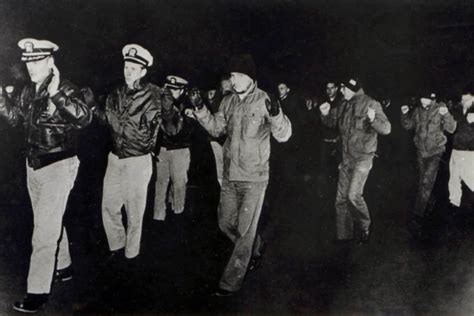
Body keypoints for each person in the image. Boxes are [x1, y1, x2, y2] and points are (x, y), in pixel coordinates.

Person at [0, 38, 92, 313]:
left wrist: (57, 95)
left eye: (37, 61)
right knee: (49, 220)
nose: (31, 67)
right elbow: (17, 119)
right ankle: (64, 267)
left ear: (51, 61)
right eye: (28, 62)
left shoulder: (67, 88)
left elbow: (84, 118)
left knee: (43, 231)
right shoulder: (29, 90)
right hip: (34, 165)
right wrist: (2, 101)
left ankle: (37, 293)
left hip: (59, 166)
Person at [190, 54, 292, 296]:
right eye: (231, 76)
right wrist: (200, 109)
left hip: (255, 178)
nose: (232, 80)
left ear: (249, 78)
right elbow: (216, 128)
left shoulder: (264, 99)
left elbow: (284, 135)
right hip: (230, 175)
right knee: (225, 223)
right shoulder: (228, 101)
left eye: (236, 76)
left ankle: (230, 283)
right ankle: (256, 245)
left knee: (244, 232)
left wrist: (277, 115)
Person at [96, 44, 174, 261]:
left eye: (133, 67)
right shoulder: (115, 93)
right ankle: (117, 246)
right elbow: (107, 122)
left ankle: (131, 255)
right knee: (109, 206)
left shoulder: (157, 94)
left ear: (143, 71)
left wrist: (168, 111)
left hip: (138, 161)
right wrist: (94, 109)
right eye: (126, 66)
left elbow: (173, 129)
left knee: (134, 212)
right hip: (115, 158)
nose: (128, 70)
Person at [320, 78, 391, 244]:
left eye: (343, 88)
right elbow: (332, 122)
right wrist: (324, 114)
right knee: (340, 199)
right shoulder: (344, 105)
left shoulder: (371, 104)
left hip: (363, 158)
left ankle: (365, 226)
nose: (341, 91)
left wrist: (373, 120)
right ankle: (344, 237)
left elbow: (387, 128)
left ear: (352, 89)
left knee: (353, 195)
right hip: (346, 158)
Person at [401, 90, 456, 239]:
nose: (423, 102)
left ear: (433, 99)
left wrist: (446, 115)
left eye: (426, 99)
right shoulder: (418, 110)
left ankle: (417, 217)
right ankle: (429, 201)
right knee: (423, 182)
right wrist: (405, 114)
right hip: (421, 152)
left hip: (435, 152)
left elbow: (451, 128)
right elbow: (408, 126)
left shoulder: (441, 108)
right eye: (422, 99)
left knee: (426, 182)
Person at [153, 75, 194, 220]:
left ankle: (179, 214)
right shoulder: (160, 103)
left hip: (180, 150)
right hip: (162, 149)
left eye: (175, 90)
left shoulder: (188, 106)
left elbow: (178, 132)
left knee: (179, 184)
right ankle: (158, 217)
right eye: (169, 89)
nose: (170, 92)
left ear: (182, 91)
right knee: (160, 184)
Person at [448, 85, 474, 209]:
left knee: (469, 177)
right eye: (462, 100)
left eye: (467, 100)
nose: (464, 102)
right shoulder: (457, 109)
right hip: (456, 148)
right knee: (453, 177)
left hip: (469, 151)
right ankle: (454, 203)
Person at [317, 81, 343, 198]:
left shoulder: (341, 103)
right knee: (323, 169)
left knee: (339, 169)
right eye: (327, 88)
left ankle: (338, 193)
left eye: (332, 88)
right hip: (325, 141)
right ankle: (323, 195)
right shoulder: (322, 102)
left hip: (337, 142)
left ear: (336, 89)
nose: (329, 91)